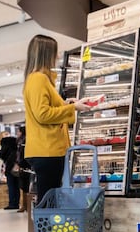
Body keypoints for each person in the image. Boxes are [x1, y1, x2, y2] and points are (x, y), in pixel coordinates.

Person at [23, 34, 90, 204]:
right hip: (47, 150)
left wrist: (68, 103)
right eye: (55, 52)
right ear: (46, 54)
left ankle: (48, 230)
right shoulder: (38, 79)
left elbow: (46, 109)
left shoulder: (40, 79)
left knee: (49, 200)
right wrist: (72, 108)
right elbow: (42, 114)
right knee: (48, 202)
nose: (58, 56)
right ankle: (46, 231)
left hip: (49, 150)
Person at [0, 131, 20, 210]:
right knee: (16, 186)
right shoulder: (16, 147)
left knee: (11, 186)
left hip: (9, 168)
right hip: (17, 168)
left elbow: (1, 155)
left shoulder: (5, 145)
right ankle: (17, 203)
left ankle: (12, 204)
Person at [15, 126, 31, 212]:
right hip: (25, 165)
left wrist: (20, 164)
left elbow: (21, 154)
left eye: (18, 131)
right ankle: (25, 205)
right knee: (25, 187)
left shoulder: (23, 141)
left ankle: (26, 206)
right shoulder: (21, 140)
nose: (17, 133)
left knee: (25, 187)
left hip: (25, 166)